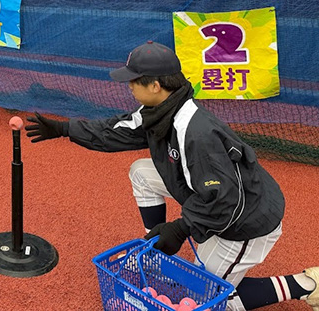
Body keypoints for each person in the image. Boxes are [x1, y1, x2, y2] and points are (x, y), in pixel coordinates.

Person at [25, 41, 318, 311]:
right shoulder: (160, 110)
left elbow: (226, 200)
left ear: (155, 85)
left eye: (134, 80)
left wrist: (180, 229)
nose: (129, 86)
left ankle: (306, 285)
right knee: (141, 172)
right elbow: (116, 130)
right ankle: (158, 253)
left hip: (245, 221)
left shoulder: (196, 133)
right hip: (218, 199)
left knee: (206, 299)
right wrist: (65, 129)